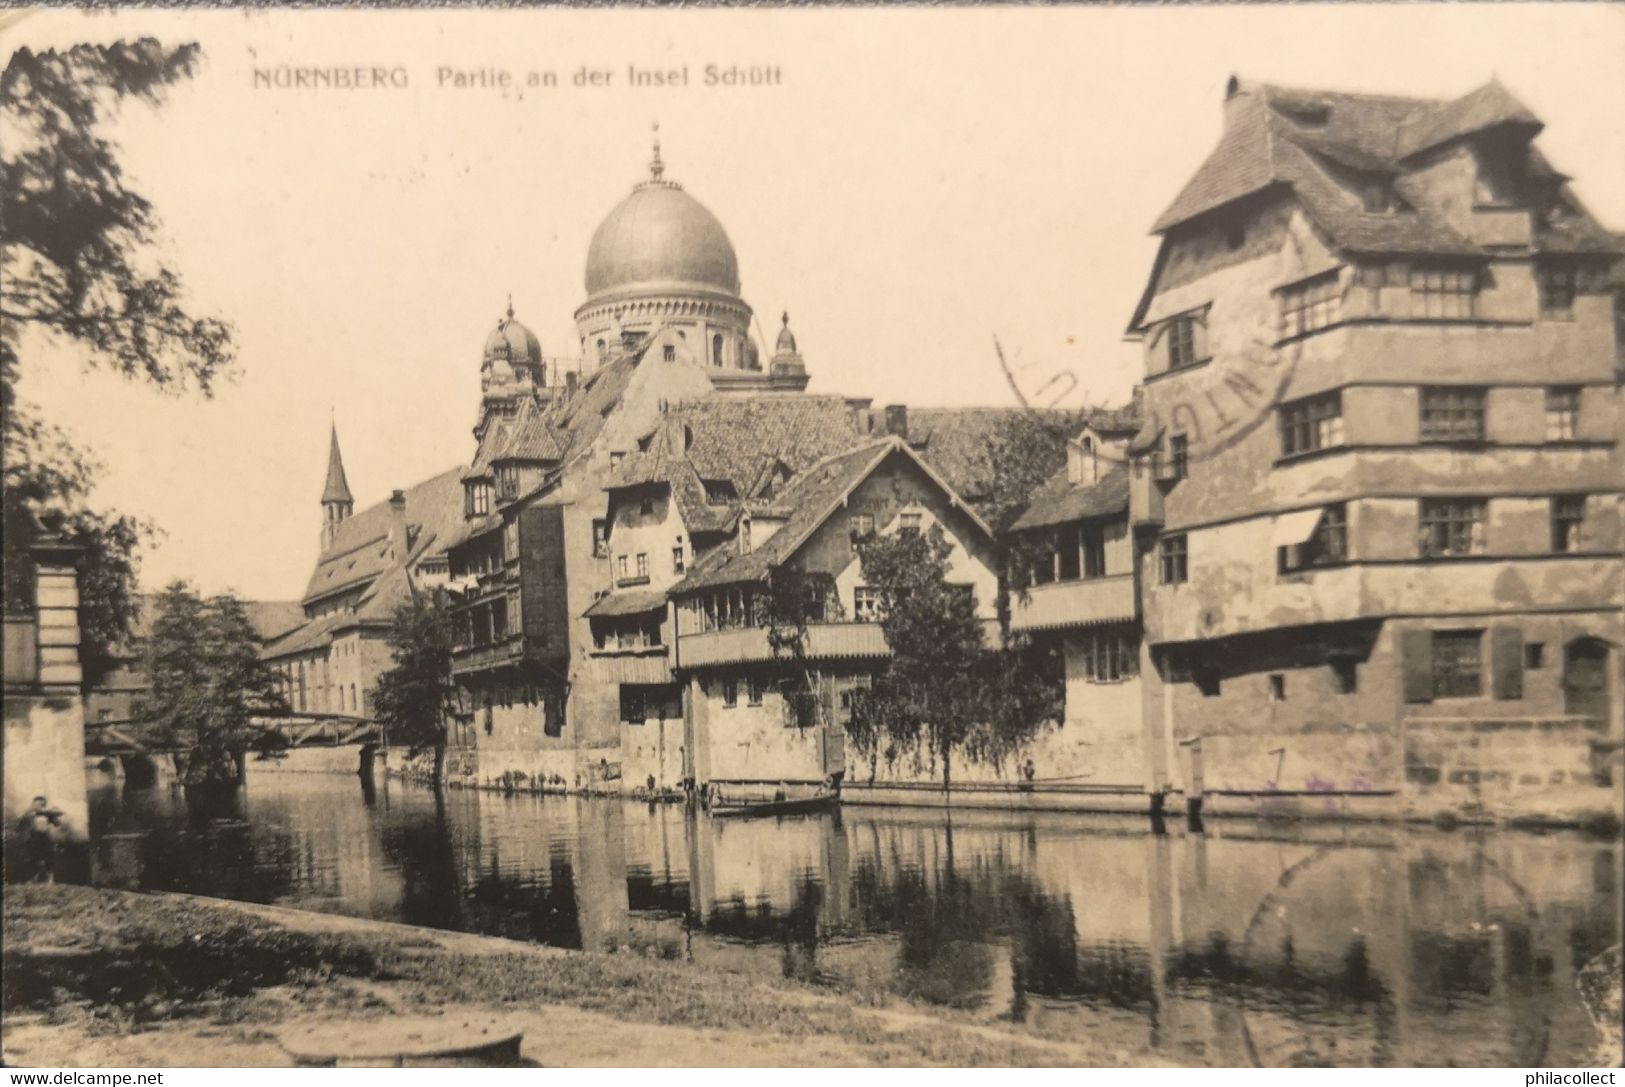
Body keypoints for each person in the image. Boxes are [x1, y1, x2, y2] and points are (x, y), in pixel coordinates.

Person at [17, 795, 63, 883]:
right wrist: (29, 815)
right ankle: (34, 878)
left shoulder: (47, 814)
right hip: (34, 837)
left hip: (45, 837)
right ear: (33, 804)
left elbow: (57, 823)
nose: (39, 806)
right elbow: (21, 822)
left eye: (42, 805)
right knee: (33, 858)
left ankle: (50, 879)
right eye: (37, 804)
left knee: (49, 857)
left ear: (44, 805)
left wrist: (54, 815)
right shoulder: (29, 813)